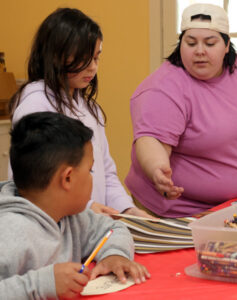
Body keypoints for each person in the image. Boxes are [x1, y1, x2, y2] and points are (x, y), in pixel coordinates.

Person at [125, 3, 237, 218]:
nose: (200, 51)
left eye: (210, 43)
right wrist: (158, 171)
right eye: (190, 43)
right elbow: (150, 140)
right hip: (183, 210)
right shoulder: (163, 88)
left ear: (227, 45)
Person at [9, 7, 152, 218]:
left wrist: (127, 209)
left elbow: (106, 171)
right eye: (83, 59)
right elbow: (35, 187)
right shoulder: (35, 105)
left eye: (96, 58)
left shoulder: (88, 109)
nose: (92, 68)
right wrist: (89, 206)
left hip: (91, 226)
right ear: (56, 55)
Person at [0, 112, 150, 299]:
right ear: (68, 178)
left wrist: (114, 254)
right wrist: (40, 284)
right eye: (90, 170)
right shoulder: (10, 232)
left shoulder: (70, 216)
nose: (92, 177)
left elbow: (112, 229)